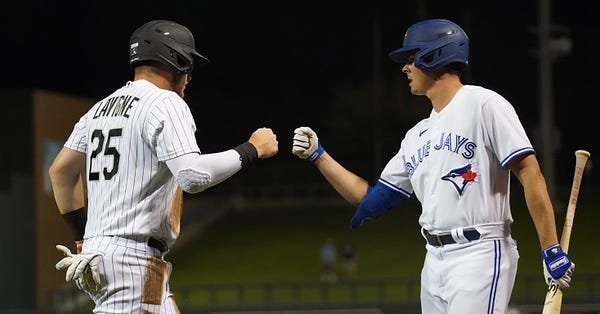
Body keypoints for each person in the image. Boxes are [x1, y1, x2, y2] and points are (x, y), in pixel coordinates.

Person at [292, 18, 574, 313]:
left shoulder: (483, 104)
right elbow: (367, 198)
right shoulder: (416, 136)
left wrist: (550, 248)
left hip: (478, 253)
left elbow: (529, 171)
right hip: (434, 261)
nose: (405, 68)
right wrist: (318, 156)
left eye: (411, 58)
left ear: (434, 55)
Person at [50, 19, 278, 313]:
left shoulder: (98, 109)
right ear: (175, 59)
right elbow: (193, 176)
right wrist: (251, 149)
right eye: (188, 65)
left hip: (109, 254)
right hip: (133, 258)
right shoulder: (165, 102)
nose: (189, 76)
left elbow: (61, 172)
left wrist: (85, 238)